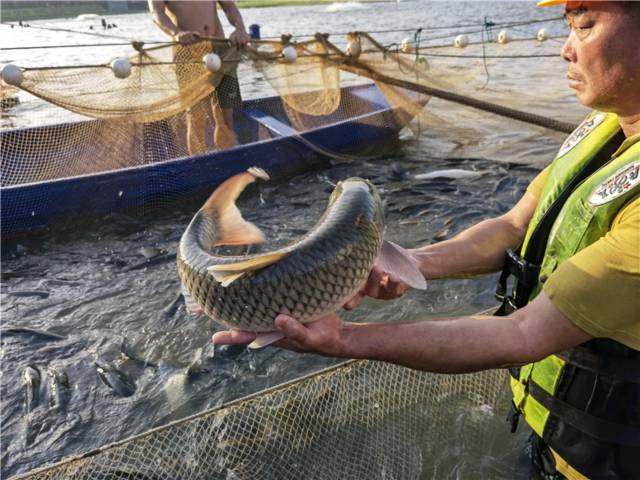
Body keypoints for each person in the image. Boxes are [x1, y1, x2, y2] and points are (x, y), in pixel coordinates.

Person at [213, 1, 640, 478]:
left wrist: (345, 339)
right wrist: (406, 259)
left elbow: (522, 334)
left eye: (584, 27)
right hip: (558, 431)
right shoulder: (608, 126)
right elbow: (514, 226)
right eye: (566, 28)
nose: (565, 50)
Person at [149, 1, 250, 154]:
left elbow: (229, 7)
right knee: (196, 117)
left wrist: (240, 28)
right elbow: (157, 13)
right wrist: (176, 33)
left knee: (225, 114)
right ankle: (198, 164)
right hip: (187, 52)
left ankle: (229, 158)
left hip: (221, 49)